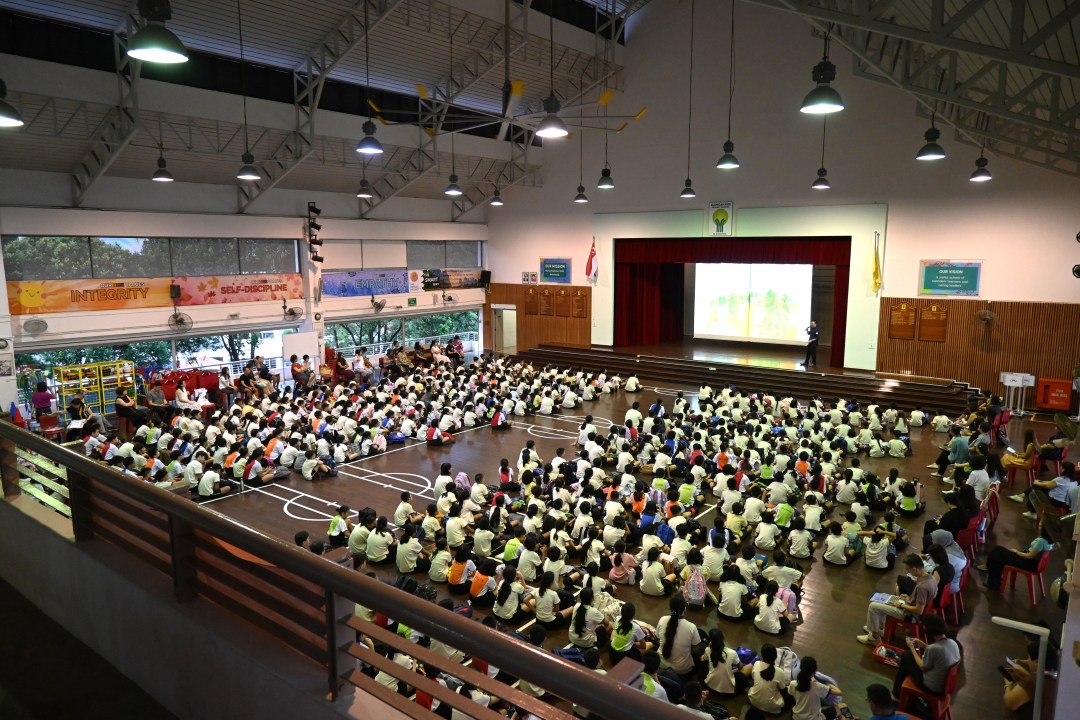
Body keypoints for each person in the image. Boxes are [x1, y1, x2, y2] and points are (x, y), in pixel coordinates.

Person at [858, 554, 937, 647]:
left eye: (908, 569)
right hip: (910, 606)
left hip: (910, 615)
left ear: (915, 569)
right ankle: (879, 629)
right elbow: (922, 600)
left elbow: (919, 610)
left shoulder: (922, 586)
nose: (907, 571)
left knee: (873, 606)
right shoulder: (931, 578)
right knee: (884, 600)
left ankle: (873, 637)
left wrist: (900, 605)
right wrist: (909, 598)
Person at [890, 613, 961, 701]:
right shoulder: (952, 643)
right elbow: (939, 653)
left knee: (906, 656)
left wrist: (912, 648)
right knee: (906, 661)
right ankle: (899, 693)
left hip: (932, 687)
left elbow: (923, 668)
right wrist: (922, 644)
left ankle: (896, 695)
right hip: (946, 686)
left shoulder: (933, 649)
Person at [977, 524, 1055, 590]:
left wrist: (1017, 552)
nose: (1040, 525)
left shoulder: (1041, 542)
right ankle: (993, 578)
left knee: (998, 551)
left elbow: (1030, 556)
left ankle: (990, 572)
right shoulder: (1050, 542)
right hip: (1034, 564)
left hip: (1027, 562)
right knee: (999, 554)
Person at [655, 595, 702, 677]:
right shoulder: (691, 627)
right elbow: (695, 649)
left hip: (661, 664)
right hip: (682, 670)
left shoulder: (662, 619)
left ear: (670, 608)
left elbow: (658, 639)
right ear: (685, 608)